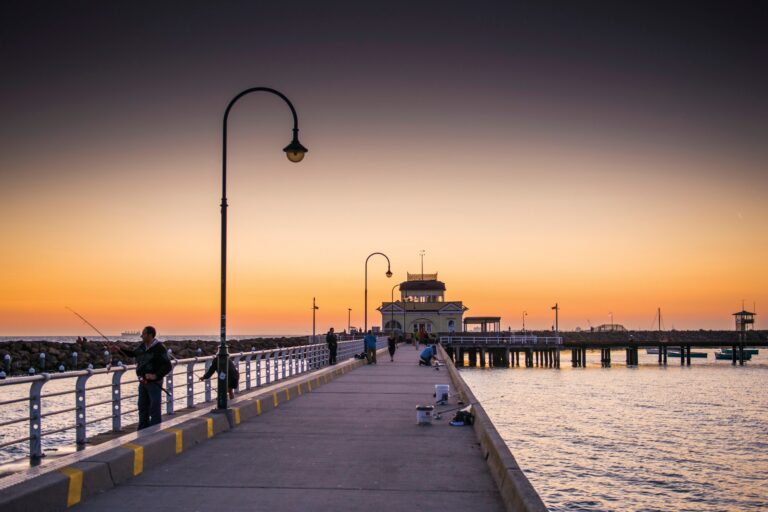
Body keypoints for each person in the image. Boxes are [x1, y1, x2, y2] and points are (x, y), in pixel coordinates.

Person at [133, 326, 172, 430]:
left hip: (154, 383)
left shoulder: (159, 348)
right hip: (143, 382)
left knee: (154, 408)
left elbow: (168, 366)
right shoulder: (142, 346)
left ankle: (155, 430)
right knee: (142, 406)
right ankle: (142, 429)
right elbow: (133, 354)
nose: (141, 336)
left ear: (150, 335)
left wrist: (155, 375)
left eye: (144, 334)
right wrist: (118, 349)